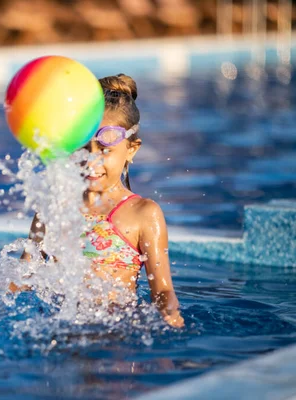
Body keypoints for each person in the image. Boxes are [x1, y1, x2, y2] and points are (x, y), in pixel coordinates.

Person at [13, 73, 184, 328]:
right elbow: (21, 280)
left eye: (105, 151)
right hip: (60, 330)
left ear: (131, 149)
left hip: (116, 333)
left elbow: (161, 291)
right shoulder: (53, 211)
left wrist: (173, 322)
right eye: (83, 148)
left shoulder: (142, 214)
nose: (91, 160)